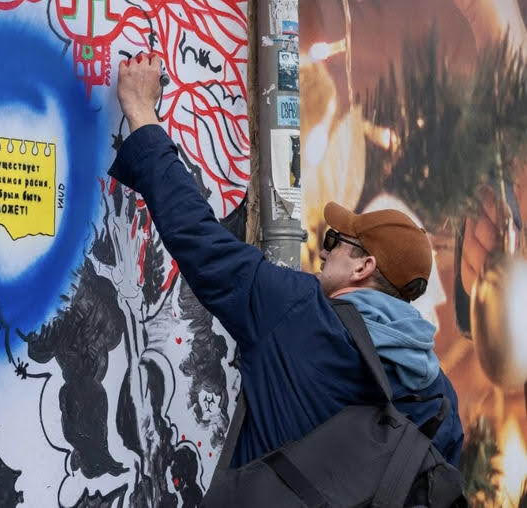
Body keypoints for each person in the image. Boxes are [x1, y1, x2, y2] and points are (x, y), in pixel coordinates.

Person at [110, 53, 464, 467]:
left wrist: (141, 111)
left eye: (336, 241)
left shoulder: (297, 312)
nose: (324, 250)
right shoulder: (438, 399)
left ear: (363, 267)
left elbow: (198, 237)